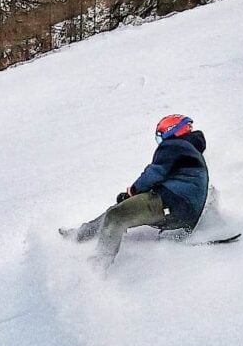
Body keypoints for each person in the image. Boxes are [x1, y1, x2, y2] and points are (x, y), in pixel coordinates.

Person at [59, 114, 209, 270]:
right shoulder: (191, 151)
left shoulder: (174, 145)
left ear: (171, 131)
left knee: (116, 215)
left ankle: (98, 265)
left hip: (171, 202)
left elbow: (155, 173)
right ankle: (82, 233)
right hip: (184, 215)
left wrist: (133, 191)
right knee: (118, 210)